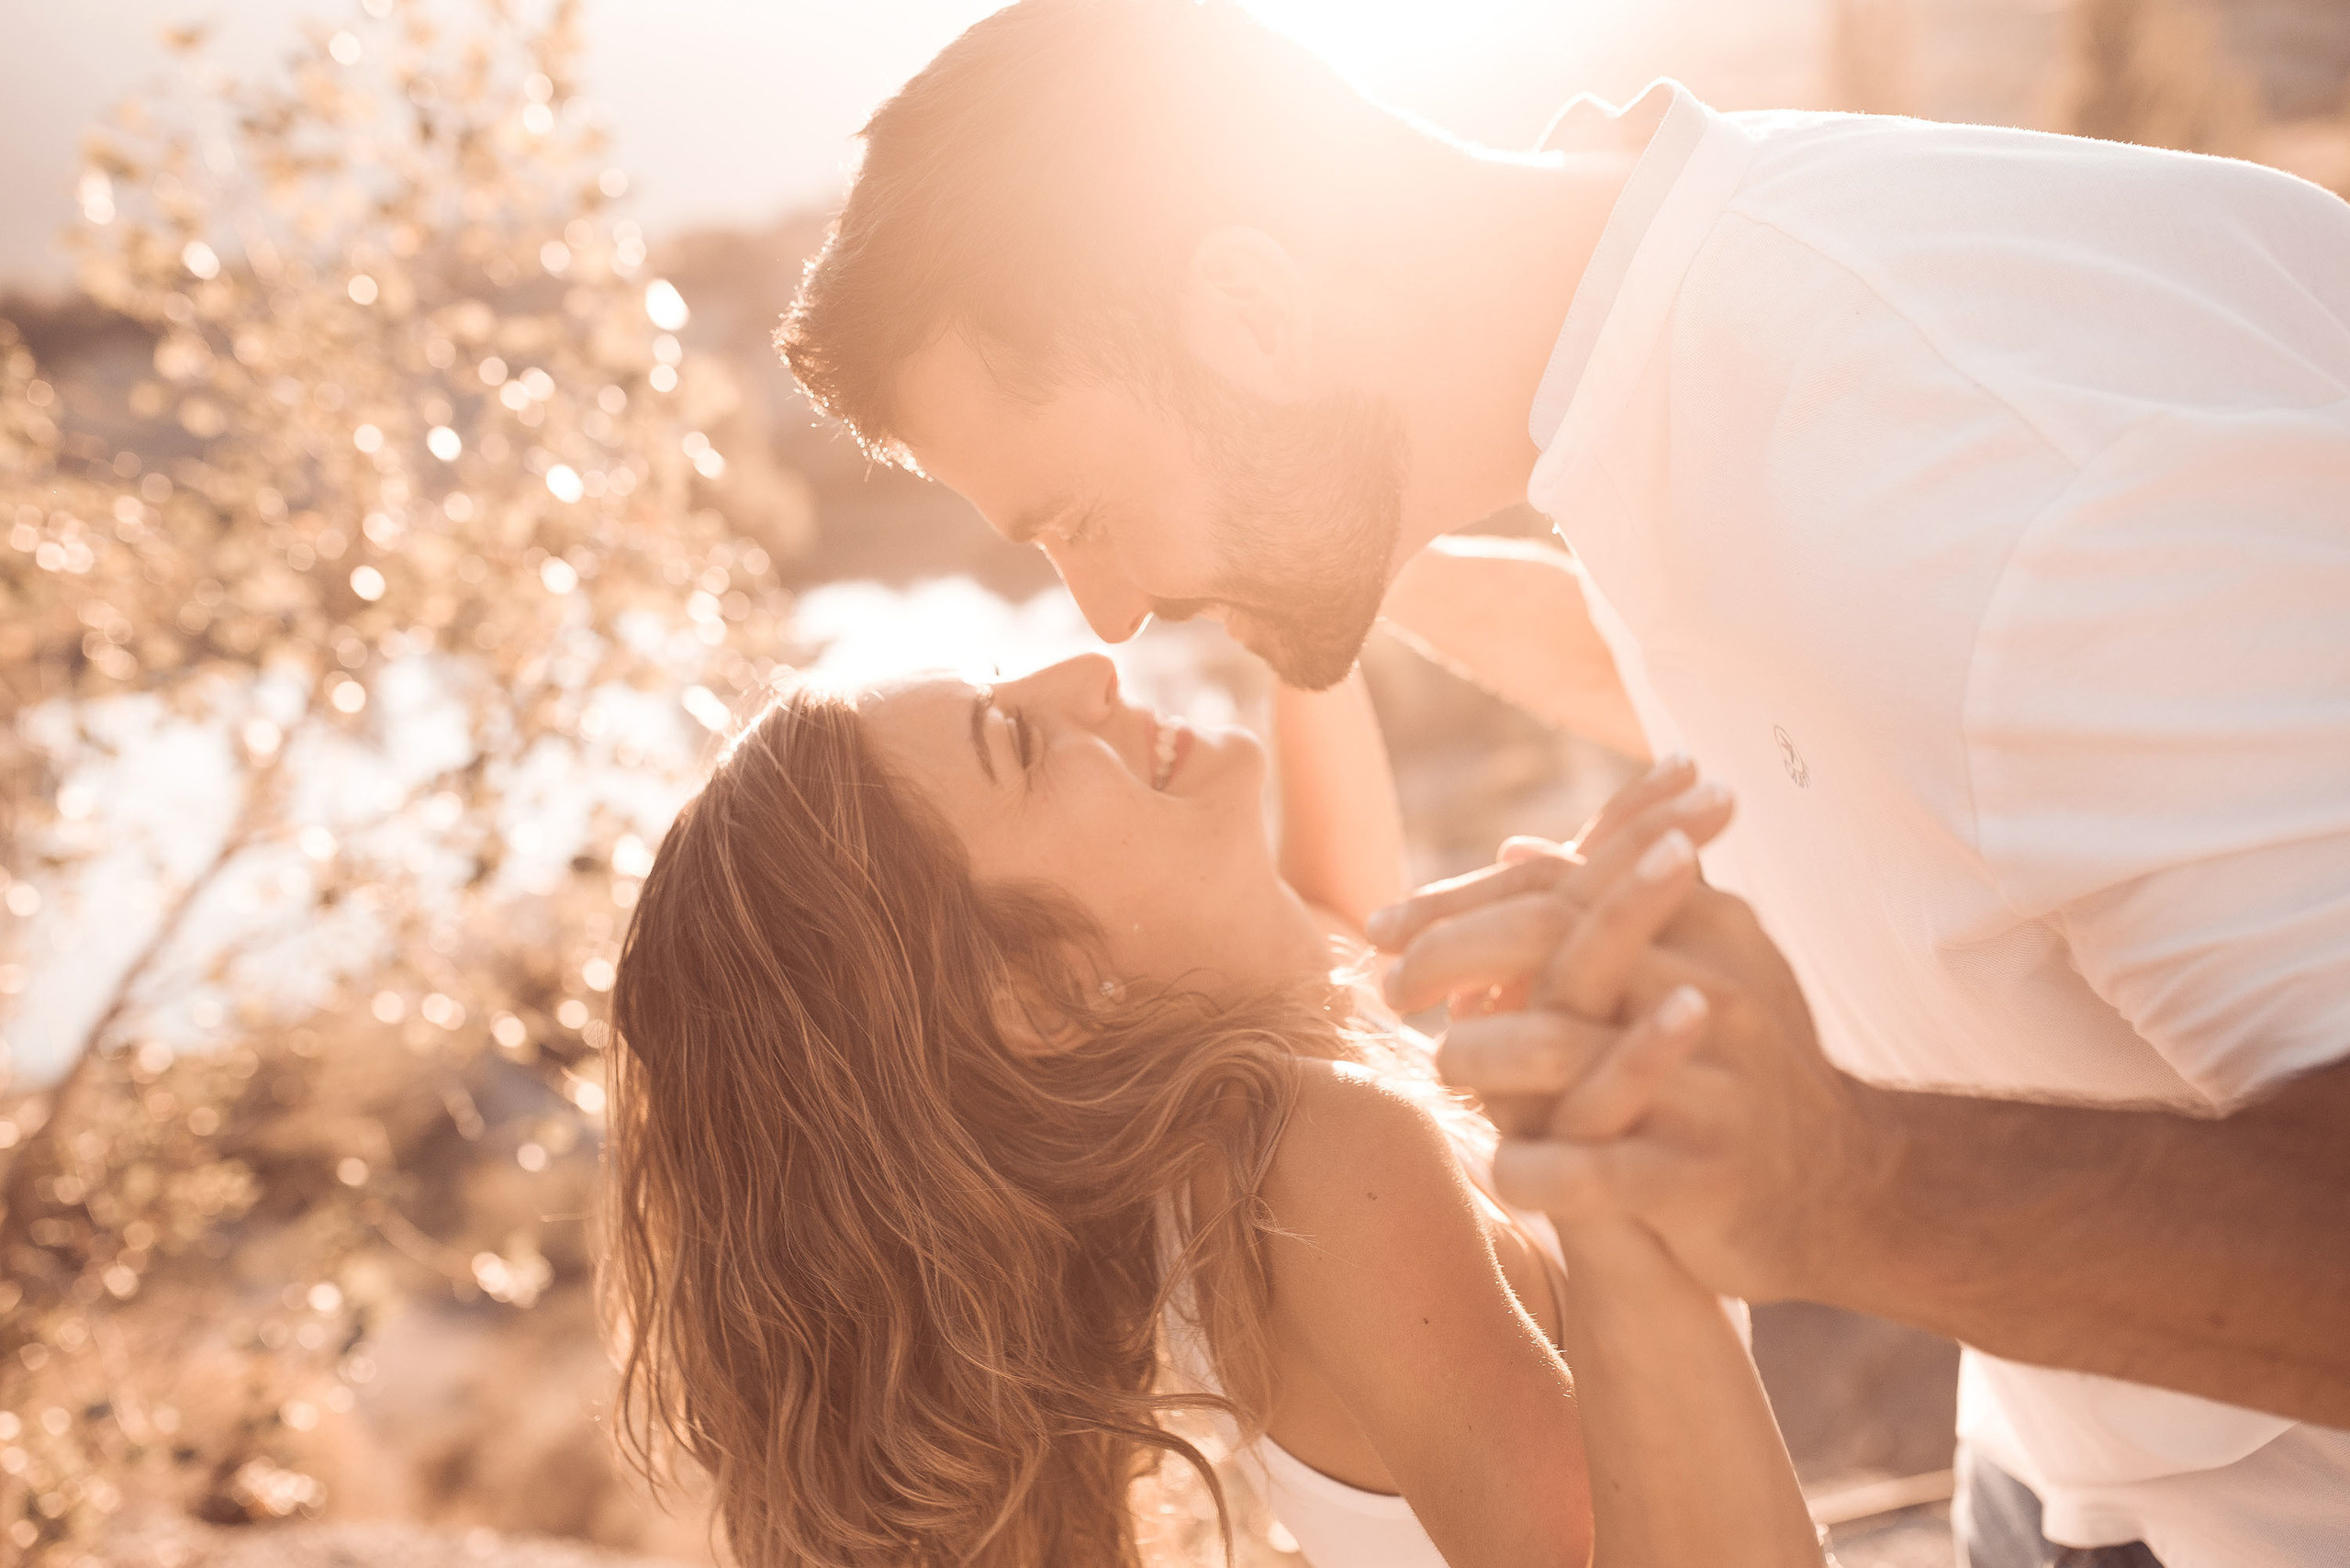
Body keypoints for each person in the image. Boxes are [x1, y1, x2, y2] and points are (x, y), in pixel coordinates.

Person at [773, 3, 2350, 1564]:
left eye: (1082, 514)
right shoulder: (1691, 342)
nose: (1104, 614)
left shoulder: (2003, 462)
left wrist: (1842, 1184)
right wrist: (1308, 570)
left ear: (1253, 313)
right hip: (2058, 1455)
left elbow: (1981, 602)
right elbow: (1893, 695)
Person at [601, 650, 1822, 1567]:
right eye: (1015, 741)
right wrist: (1614, 1184)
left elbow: (1333, 921)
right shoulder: (1320, 1158)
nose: (1085, 668)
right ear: (1040, 992)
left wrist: (1299, 629)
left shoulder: (1248, 1104)